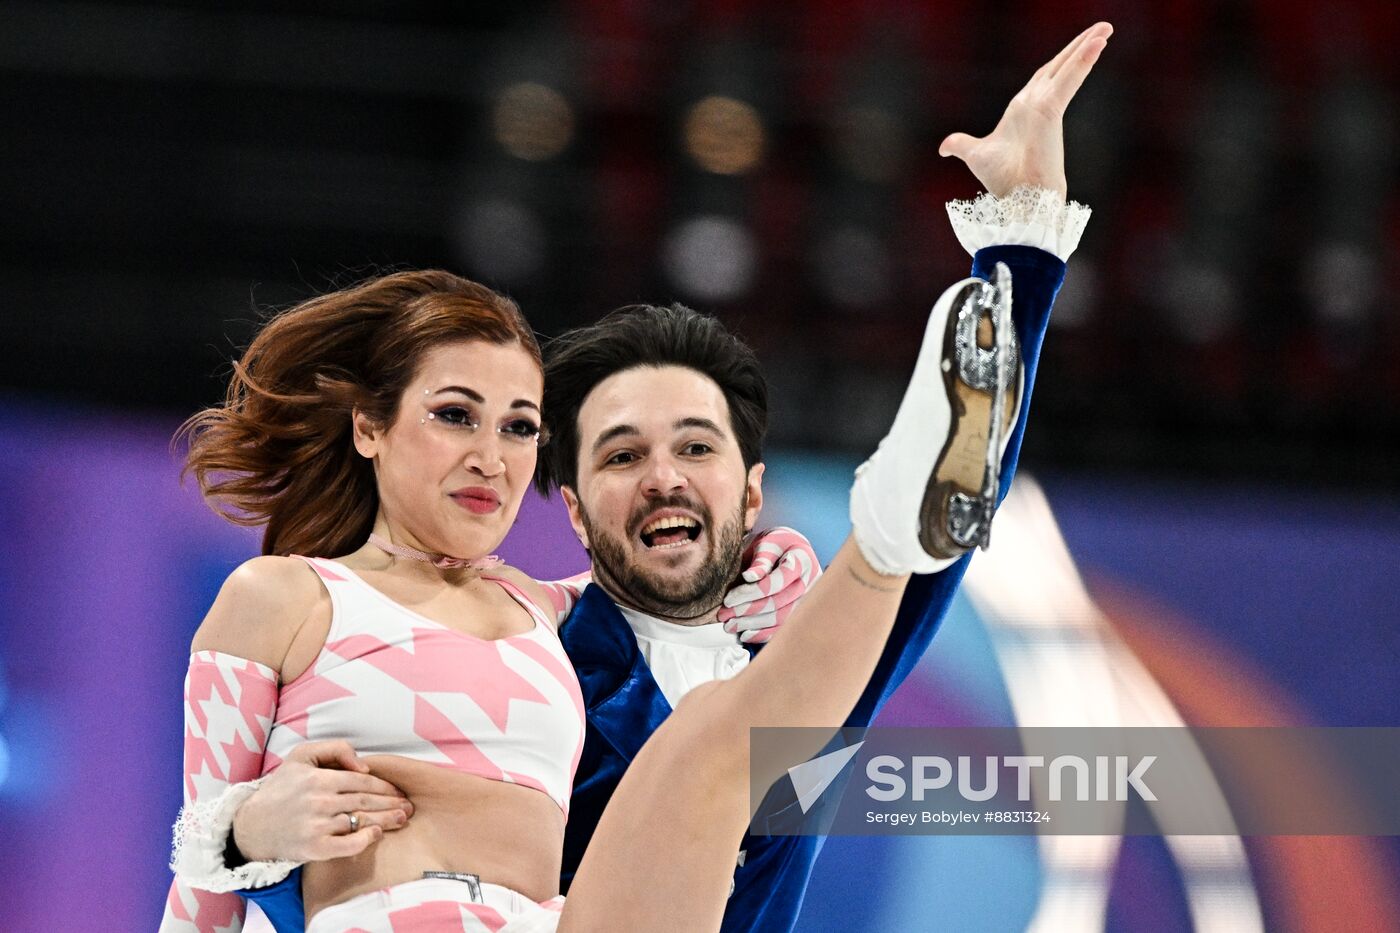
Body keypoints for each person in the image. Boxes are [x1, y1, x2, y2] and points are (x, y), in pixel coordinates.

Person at [166, 21, 1111, 933]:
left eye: (697, 448)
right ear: (571, 508)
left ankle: (884, 515)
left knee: (798, 663)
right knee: (720, 733)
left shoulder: (793, 656)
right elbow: (347, 824)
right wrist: (251, 834)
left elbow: (958, 498)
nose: (664, 477)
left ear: (752, 493)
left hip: (746, 725)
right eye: (622, 455)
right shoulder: (531, 643)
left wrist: (1020, 251)